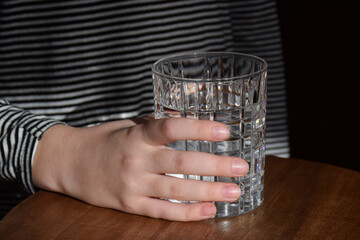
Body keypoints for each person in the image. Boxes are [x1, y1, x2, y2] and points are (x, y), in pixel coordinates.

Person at [0, 0, 289, 221]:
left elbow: (255, 38)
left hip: (205, 203)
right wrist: (60, 155)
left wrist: (271, 164)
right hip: (44, 204)